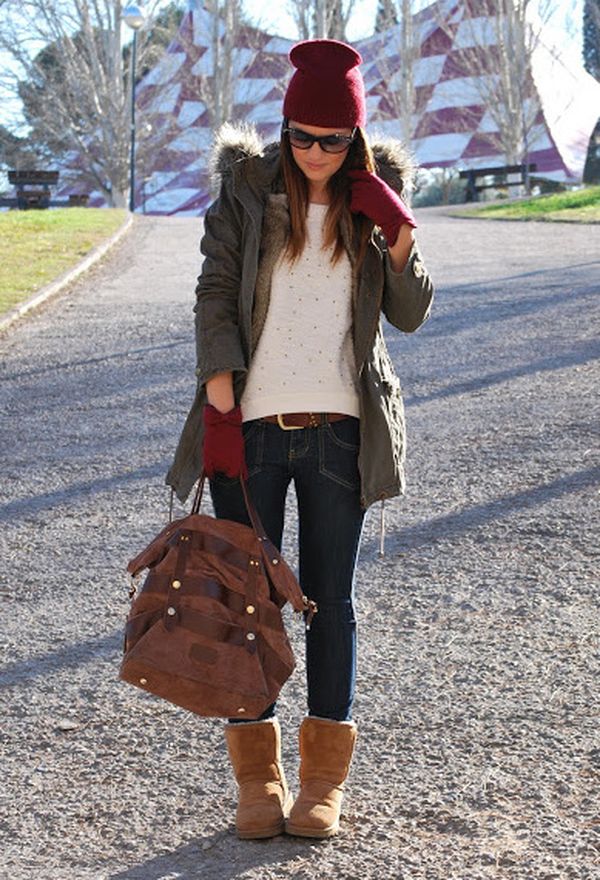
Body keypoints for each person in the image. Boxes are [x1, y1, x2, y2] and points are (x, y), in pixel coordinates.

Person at [166, 38, 433, 840]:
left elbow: (410, 314)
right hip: (249, 429)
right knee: (246, 604)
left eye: (333, 140)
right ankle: (258, 781)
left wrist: (399, 235)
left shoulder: (371, 203)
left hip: (340, 432)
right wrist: (221, 400)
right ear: (285, 130)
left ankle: (322, 782)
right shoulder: (246, 195)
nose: (316, 153)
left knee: (330, 605)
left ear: (355, 138)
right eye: (302, 137)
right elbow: (215, 292)